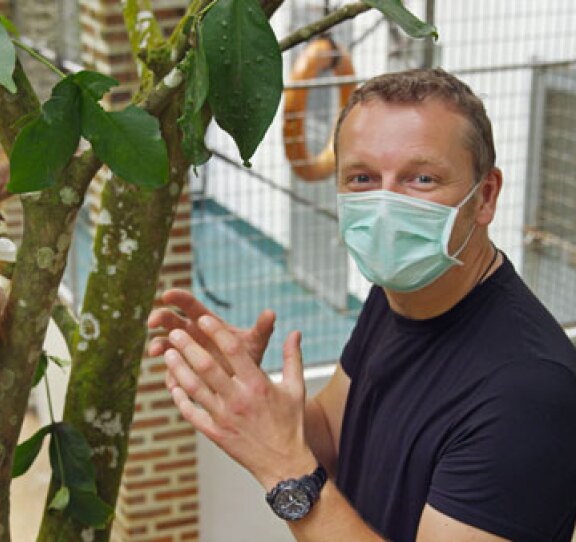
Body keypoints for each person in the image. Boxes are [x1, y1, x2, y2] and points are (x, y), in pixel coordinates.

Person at [147, 68, 576, 541]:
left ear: (486, 196)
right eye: (363, 177)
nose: (386, 207)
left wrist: (287, 471)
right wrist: (253, 402)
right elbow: (332, 434)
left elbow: (299, 466)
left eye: (422, 178)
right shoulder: (400, 296)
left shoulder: (528, 393)